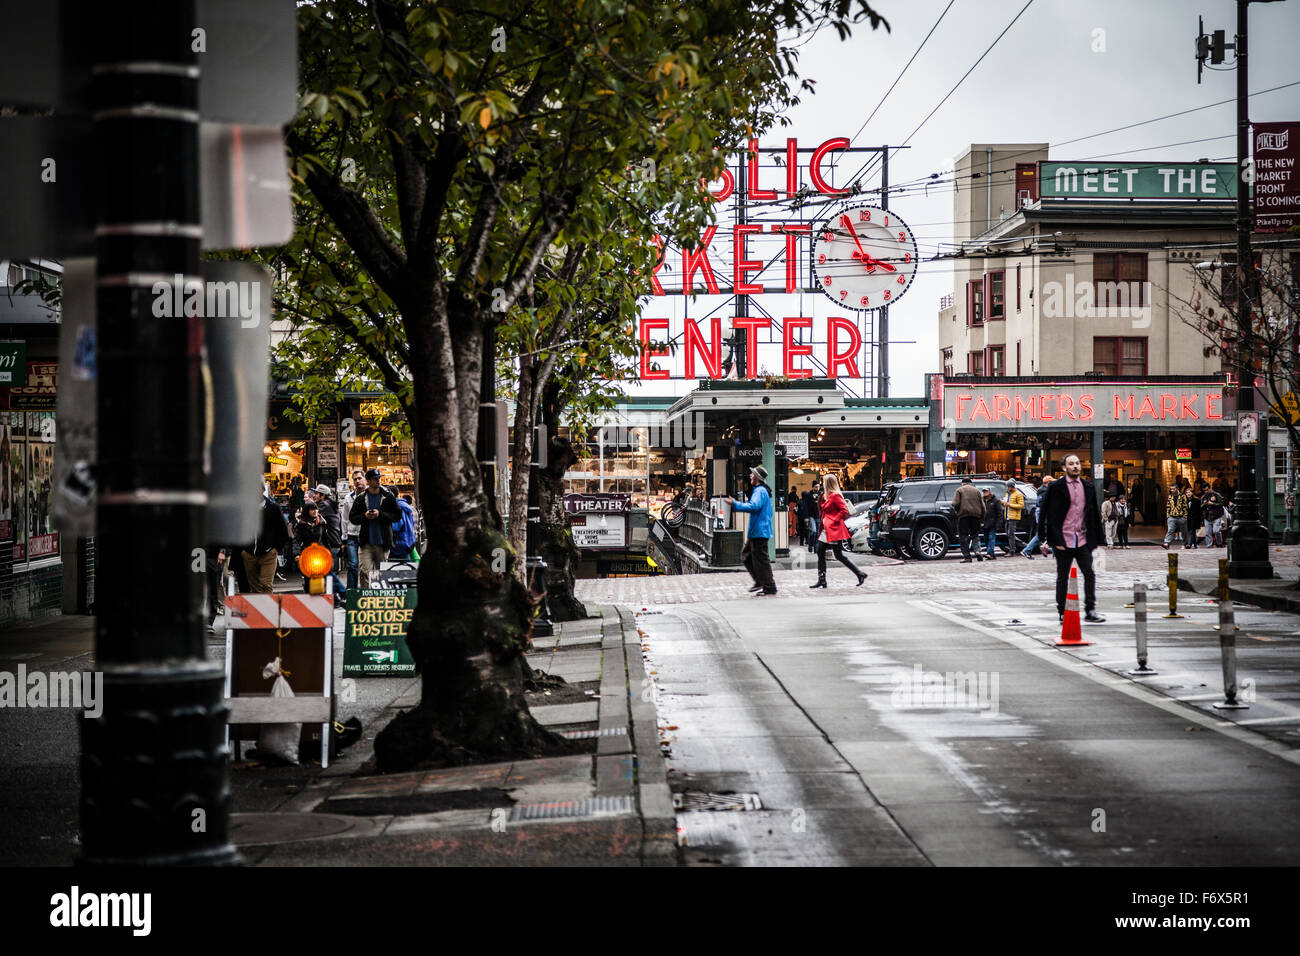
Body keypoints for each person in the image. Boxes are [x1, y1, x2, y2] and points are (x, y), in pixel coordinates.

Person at [1037, 454, 1105, 624]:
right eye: (1071, 464)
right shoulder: (1055, 487)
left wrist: (1097, 540)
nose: (1075, 466)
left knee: (1089, 574)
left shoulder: (1088, 486)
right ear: (1064, 467)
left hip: (1082, 539)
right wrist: (1048, 539)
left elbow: (1093, 514)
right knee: (1062, 577)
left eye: (1077, 463)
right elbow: (1046, 513)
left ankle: (1090, 610)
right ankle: (1062, 611)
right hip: (1063, 540)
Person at [809, 473, 867, 588]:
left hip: (834, 528)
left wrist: (833, 520)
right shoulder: (828, 496)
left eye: (824, 481)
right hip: (828, 529)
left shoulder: (835, 496)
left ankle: (859, 573)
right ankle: (822, 579)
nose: (822, 484)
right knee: (821, 552)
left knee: (838, 555)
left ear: (828, 483)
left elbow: (843, 511)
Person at [726, 465, 777, 596]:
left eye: (752, 474)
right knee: (747, 555)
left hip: (759, 531)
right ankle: (761, 582)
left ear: (757, 477)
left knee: (761, 559)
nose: (750, 476)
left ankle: (769, 586)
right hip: (758, 531)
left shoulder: (759, 491)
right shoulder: (762, 490)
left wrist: (735, 504)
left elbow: (753, 506)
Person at [349, 468, 401, 588]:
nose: (378, 481)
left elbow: (397, 515)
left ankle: (381, 600)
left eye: (379, 478)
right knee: (364, 572)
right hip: (366, 543)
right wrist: (365, 516)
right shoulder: (361, 498)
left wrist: (380, 514)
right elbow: (353, 517)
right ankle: (366, 598)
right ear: (368, 481)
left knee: (382, 574)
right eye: (375, 479)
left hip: (383, 543)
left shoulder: (388, 496)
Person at [241, 482, 291, 594]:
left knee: (266, 585)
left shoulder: (273, 508)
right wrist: (243, 549)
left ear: (262, 490)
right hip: (249, 553)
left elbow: (282, 530)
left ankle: (267, 609)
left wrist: (276, 548)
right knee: (253, 586)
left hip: (268, 552)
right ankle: (258, 609)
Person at [294, 501, 347, 599]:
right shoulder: (300, 525)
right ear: (307, 511)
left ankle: (339, 597)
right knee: (308, 578)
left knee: (329, 575)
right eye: (312, 509)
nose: (315, 511)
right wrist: (297, 554)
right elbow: (296, 540)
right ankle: (311, 599)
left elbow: (325, 539)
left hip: (321, 554)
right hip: (308, 555)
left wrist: (329, 552)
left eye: (316, 509)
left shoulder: (321, 522)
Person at [341, 469, 366, 590]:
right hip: (352, 535)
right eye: (355, 479)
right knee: (353, 565)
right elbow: (345, 519)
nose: (357, 481)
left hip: (367, 535)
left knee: (366, 566)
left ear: (365, 479)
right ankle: (351, 592)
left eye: (360, 478)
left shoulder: (371, 496)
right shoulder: (348, 498)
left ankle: (367, 591)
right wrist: (344, 539)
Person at [952, 476, 985, 563]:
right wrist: (982, 519)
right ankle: (978, 551)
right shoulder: (977, 491)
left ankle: (967, 557)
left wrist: (957, 511)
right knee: (975, 535)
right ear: (971, 483)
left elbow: (955, 503)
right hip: (976, 517)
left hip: (964, 516)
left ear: (962, 483)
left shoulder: (959, 490)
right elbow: (983, 507)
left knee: (963, 536)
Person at [390, 493, 418, 560]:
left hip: (397, 543)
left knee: (394, 566)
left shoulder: (397, 508)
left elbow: (396, 527)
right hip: (408, 541)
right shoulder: (409, 509)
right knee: (406, 564)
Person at [1162, 482, 1188, 550]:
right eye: (1171, 489)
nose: (1172, 490)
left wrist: (1185, 516)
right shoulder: (1170, 496)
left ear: (1177, 488)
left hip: (1181, 517)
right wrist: (1168, 516)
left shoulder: (1183, 496)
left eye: (1173, 489)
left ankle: (1184, 544)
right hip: (1172, 517)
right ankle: (1166, 543)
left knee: (1184, 531)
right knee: (1170, 530)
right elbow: (1168, 506)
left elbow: (1185, 506)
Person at [1003, 479, 1025, 555]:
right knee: (1008, 534)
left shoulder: (1018, 494)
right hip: (1007, 516)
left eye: (1008, 486)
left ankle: (1012, 550)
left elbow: (1021, 505)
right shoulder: (1007, 494)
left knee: (1010, 534)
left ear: (1011, 486)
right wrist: (1003, 503)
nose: (1007, 488)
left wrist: (1009, 505)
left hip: (1013, 517)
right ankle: (1021, 545)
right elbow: (1006, 504)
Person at [981, 488, 1002, 560]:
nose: (985, 493)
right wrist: (980, 522)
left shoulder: (996, 501)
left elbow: (1000, 513)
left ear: (990, 492)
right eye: (984, 491)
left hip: (993, 523)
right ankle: (992, 555)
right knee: (986, 539)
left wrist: (998, 524)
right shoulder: (982, 500)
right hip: (984, 524)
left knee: (991, 538)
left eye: (986, 491)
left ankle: (989, 553)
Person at [1186, 484, 1202, 549]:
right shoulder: (1185, 501)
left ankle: (1189, 544)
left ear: (1192, 493)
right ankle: (1195, 545)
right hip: (1188, 519)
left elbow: (1200, 511)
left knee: (1192, 531)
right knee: (1191, 531)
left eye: (1189, 492)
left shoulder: (1197, 500)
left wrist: (1201, 520)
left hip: (1195, 518)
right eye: (1187, 493)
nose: (1188, 494)